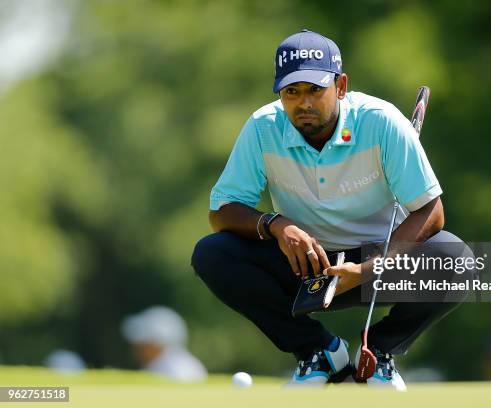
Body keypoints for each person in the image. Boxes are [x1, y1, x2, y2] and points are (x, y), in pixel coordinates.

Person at [191, 29, 473, 391]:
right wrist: (275, 224)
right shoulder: (263, 128)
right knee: (212, 254)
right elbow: (222, 211)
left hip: (378, 263)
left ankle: (379, 354)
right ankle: (318, 351)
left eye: (314, 90)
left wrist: (370, 268)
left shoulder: (381, 122)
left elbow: (431, 212)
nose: (303, 103)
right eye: (291, 92)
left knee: (457, 259)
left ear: (340, 86)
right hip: (307, 266)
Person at [121, 306, 207, 382]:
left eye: (144, 342)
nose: (136, 346)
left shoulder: (176, 370)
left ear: (156, 343)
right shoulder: (158, 366)